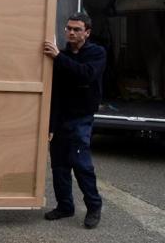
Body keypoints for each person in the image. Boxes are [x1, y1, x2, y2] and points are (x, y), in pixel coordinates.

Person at [43, 12, 106, 229]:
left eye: (77, 29)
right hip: (61, 119)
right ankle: (65, 207)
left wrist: (59, 57)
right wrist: (50, 124)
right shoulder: (60, 53)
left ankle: (94, 206)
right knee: (59, 166)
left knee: (81, 165)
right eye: (68, 28)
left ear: (87, 32)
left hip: (81, 118)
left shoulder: (96, 53)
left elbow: (86, 74)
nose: (71, 32)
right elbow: (56, 93)